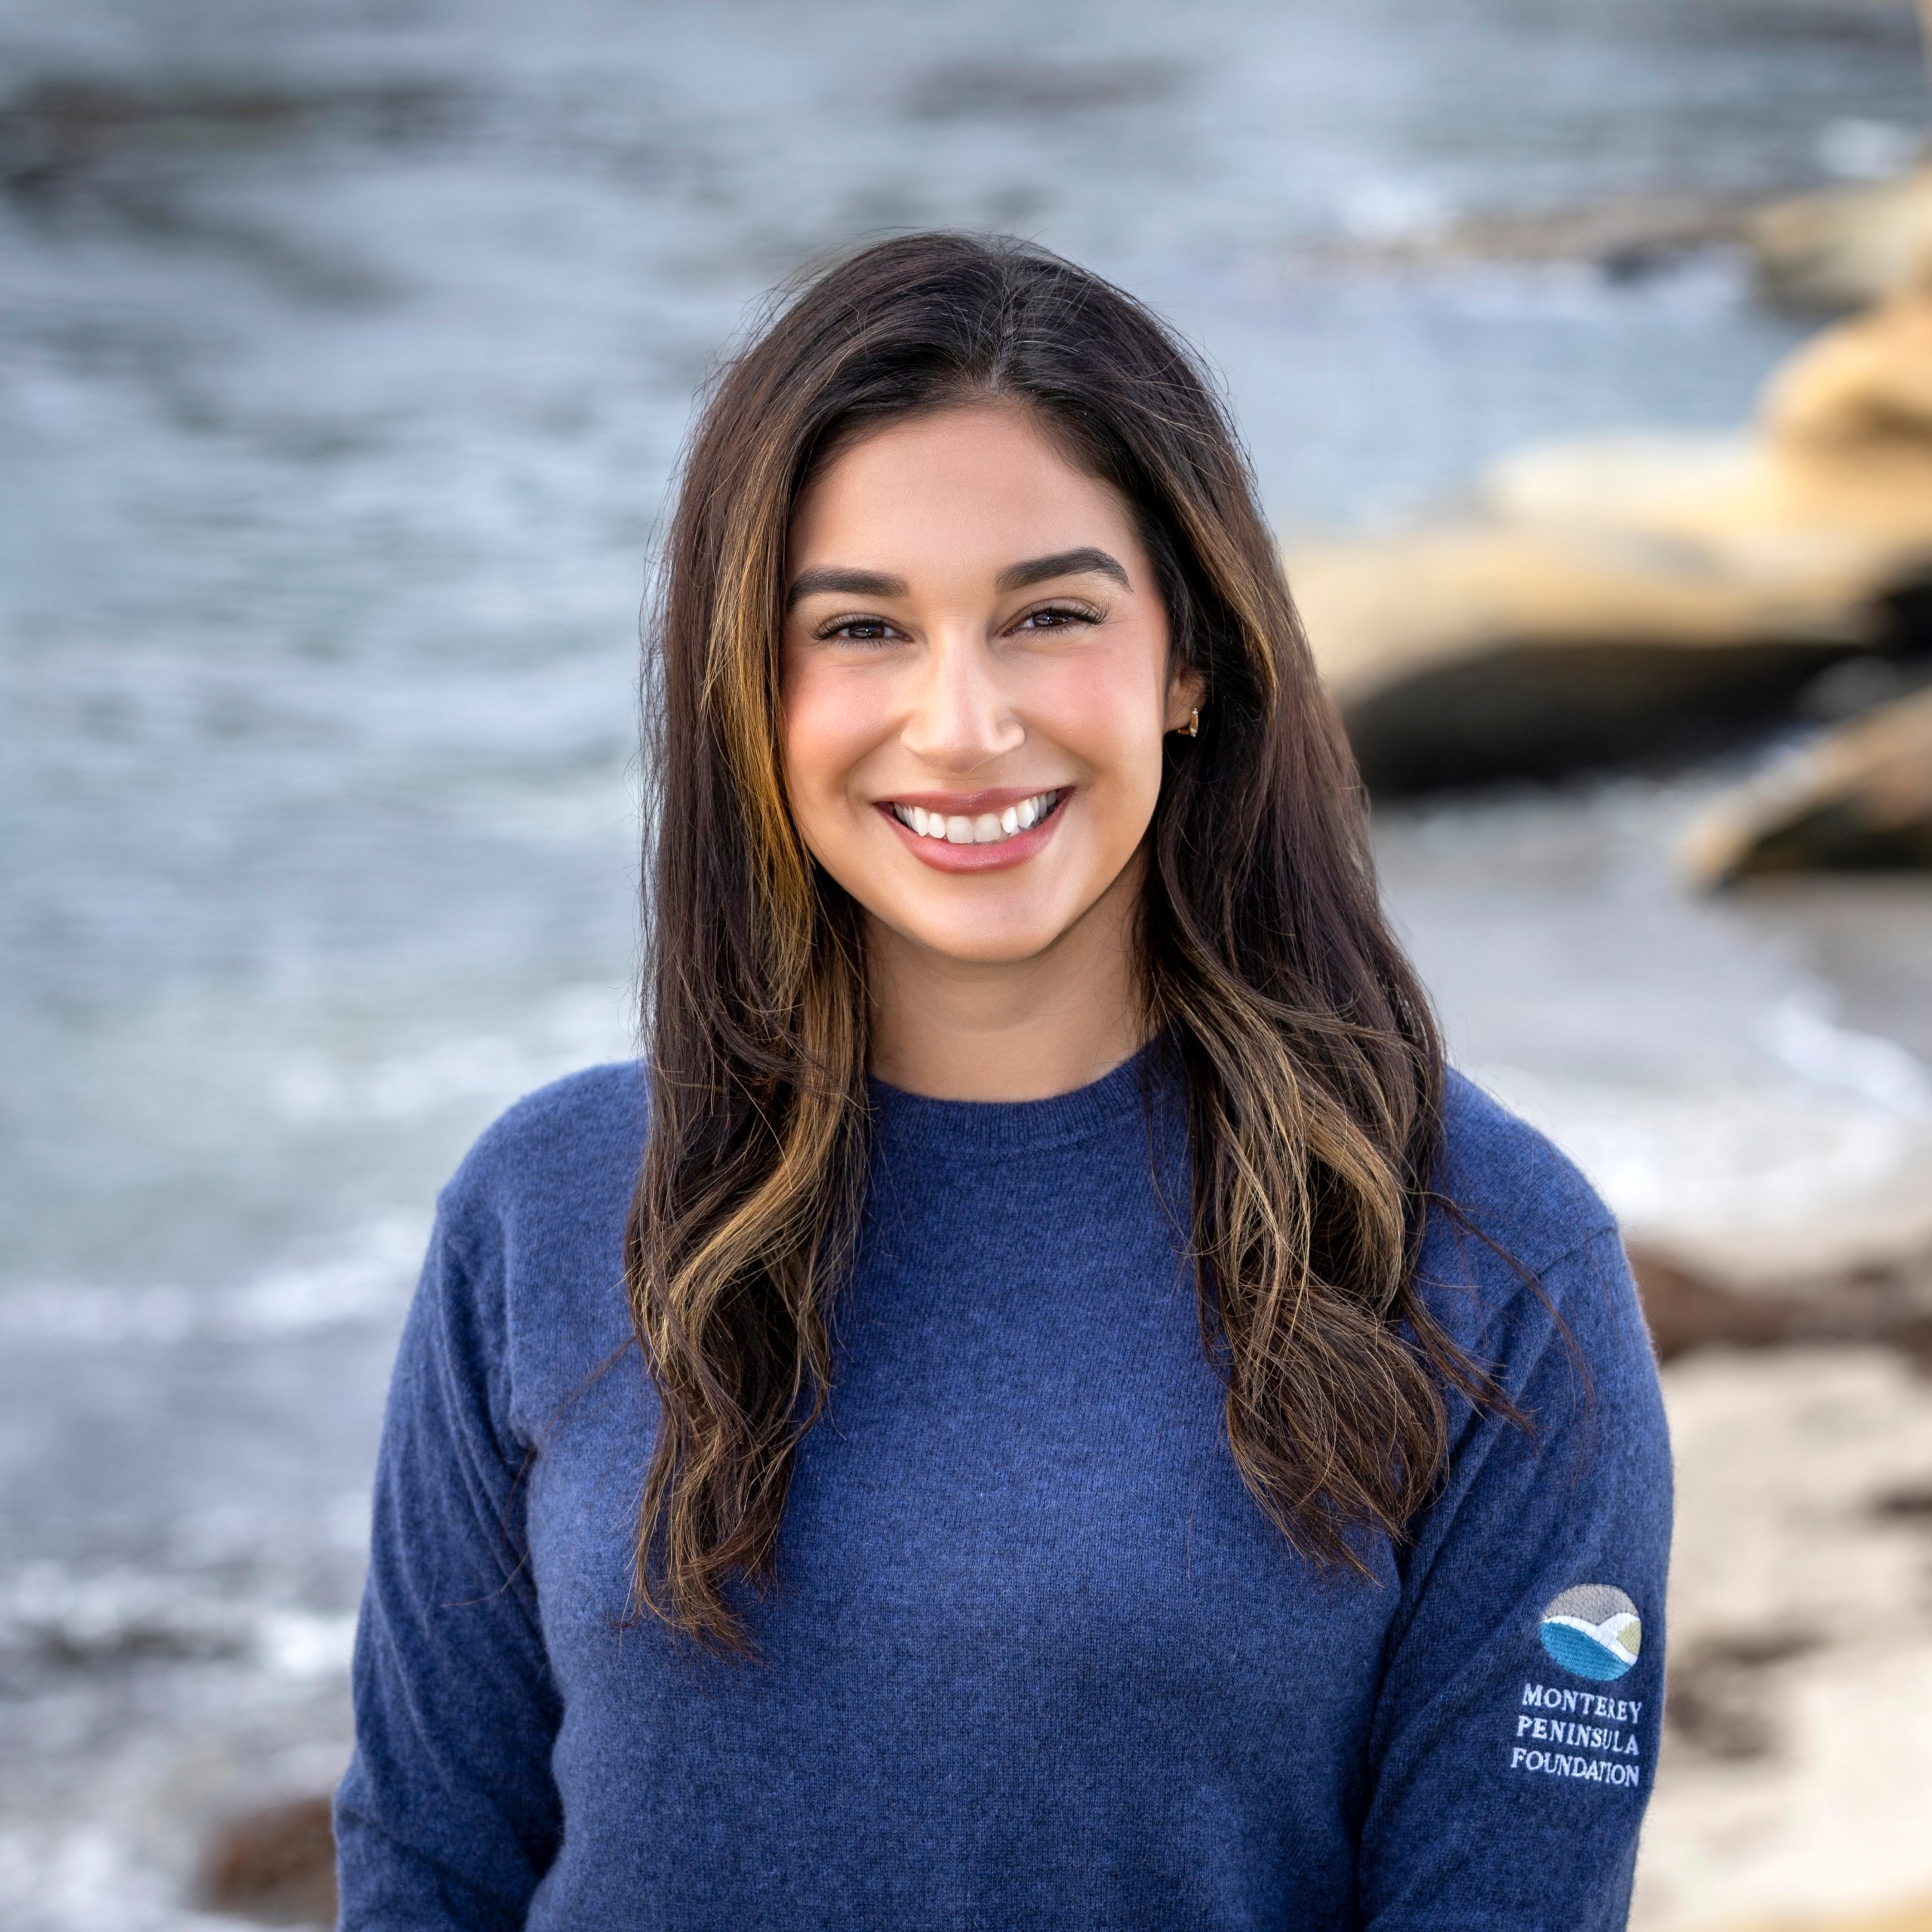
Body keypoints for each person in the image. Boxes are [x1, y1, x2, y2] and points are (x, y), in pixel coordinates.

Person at [334, 232, 1670, 1931]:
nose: (959, 725)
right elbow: (426, 1868)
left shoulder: (1490, 1259)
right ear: (751, 687)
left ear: (1189, 661)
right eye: (862, 628)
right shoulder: (541, 1206)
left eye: (1046, 615)